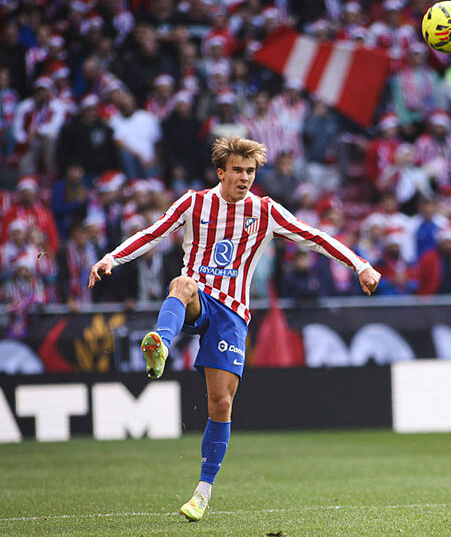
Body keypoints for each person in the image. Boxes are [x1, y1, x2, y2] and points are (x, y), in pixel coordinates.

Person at [87, 136, 381, 521]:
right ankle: (160, 341)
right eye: (238, 170)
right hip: (198, 297)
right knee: (182, 284)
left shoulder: (265, 211)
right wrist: (112, 258)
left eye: (250, 171)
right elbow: (153, 233)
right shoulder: (194, 203)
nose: (244, 178)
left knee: (220, 403)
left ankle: (202, 493)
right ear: (221, 171)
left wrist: (360, 264)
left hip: (233, 314)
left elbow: (315, 237)